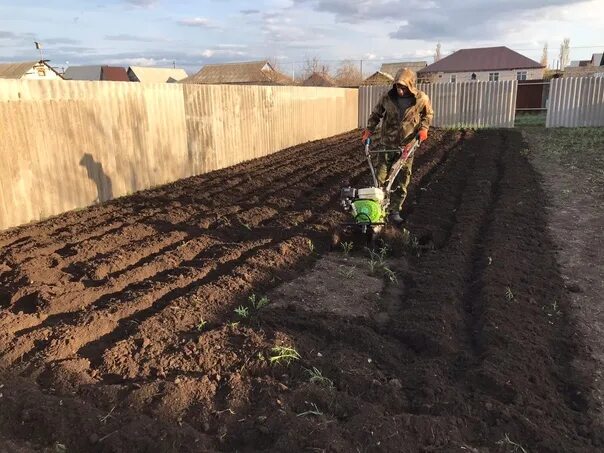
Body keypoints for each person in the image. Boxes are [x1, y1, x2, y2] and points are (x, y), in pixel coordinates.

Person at [361, 68, 433, 224]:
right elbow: (376, 114)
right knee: (379, 177)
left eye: (403, 87)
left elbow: (428, 114)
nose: (400, 90)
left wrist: (424, 129)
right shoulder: (387, 98)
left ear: (411, 85)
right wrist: (369, 130)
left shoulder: (421, 99)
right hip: (387, 144)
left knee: (402, 179)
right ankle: (377, 209)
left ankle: (394, 211)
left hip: (407, 146)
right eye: (397, 86)